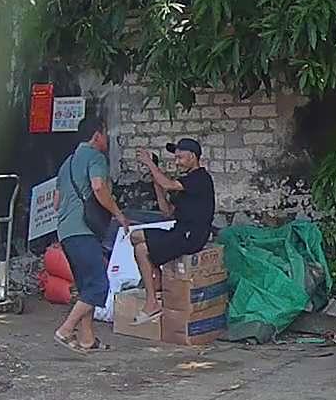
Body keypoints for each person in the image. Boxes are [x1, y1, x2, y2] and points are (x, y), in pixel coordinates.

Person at [53, 116, 129, 353]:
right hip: (84, 231)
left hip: (66, 232)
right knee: (98, 285)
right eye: (105, 134)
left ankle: (88, 339)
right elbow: (98, 187)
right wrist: (118, 214)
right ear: (97, 135)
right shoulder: (96, 157)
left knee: (86, 287)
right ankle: (66, 330)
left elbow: (56, 202)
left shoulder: (66, 163)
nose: (107, 139)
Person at [129, 137, 216, 324]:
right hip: (179, 231)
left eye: (180, 158)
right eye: (175, 158)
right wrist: (156, 182)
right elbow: (167, 211)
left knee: (141, 249)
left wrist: (150, 164)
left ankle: (152, 303)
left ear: (192, 157)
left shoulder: (200, 178)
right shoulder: (185, 183)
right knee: (135, 236)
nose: (177, 162)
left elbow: (168, 184)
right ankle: (158, 280)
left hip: (192, 236)